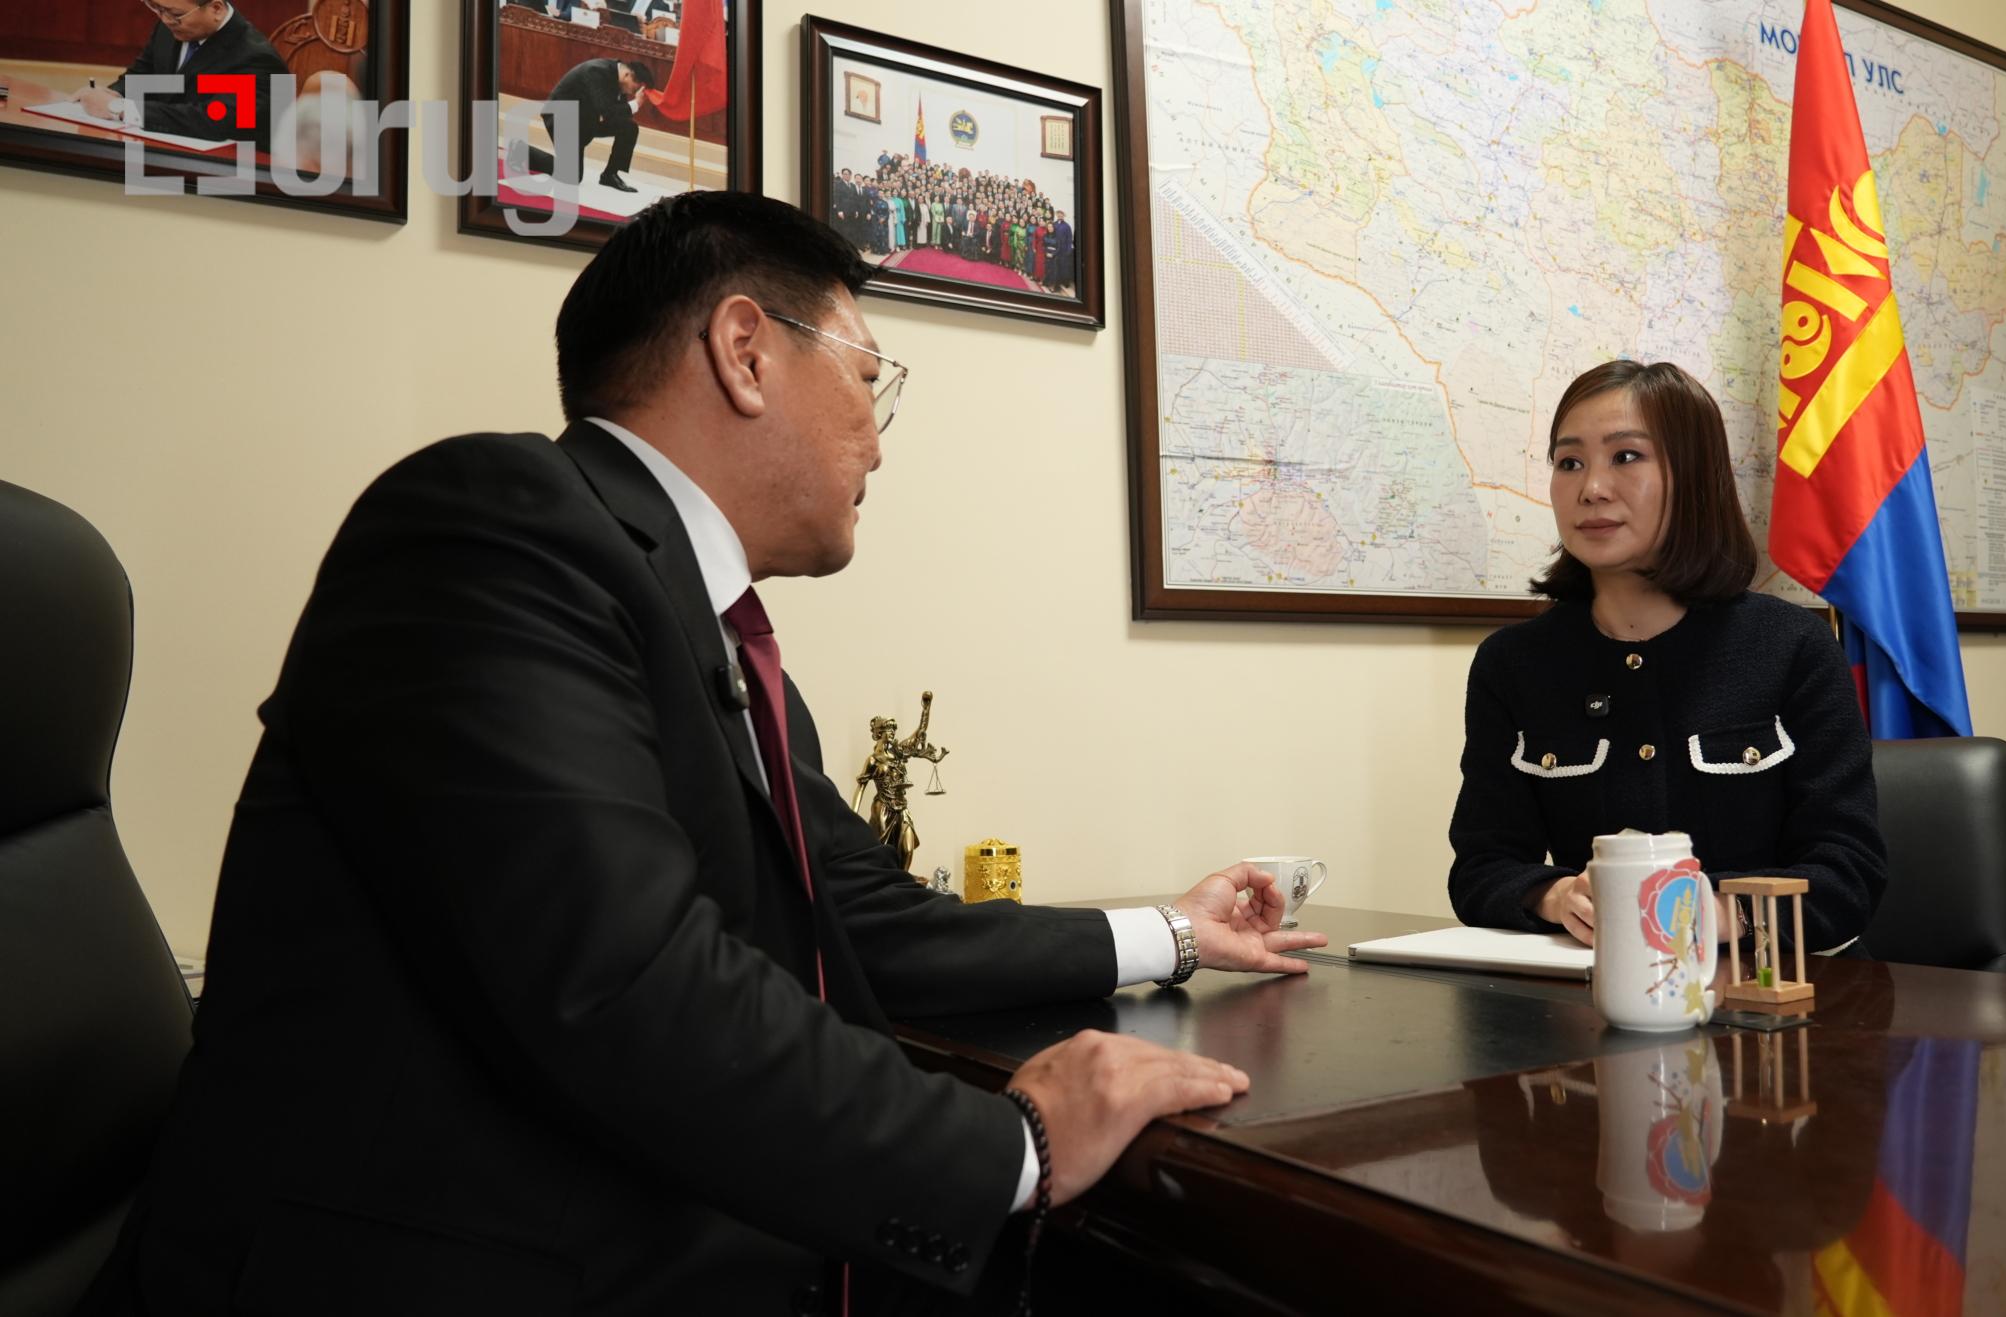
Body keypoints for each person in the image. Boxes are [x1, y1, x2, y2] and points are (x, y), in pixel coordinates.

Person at [80, 192, 1326, 1315]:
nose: (880, 441)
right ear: (745, 351)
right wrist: (1014, 1146)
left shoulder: (709, 636)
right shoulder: (495, 529)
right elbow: (624, 980)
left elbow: (871, 923)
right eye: (870, 381)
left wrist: (1173, 932)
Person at [1446, 360, 1884, 956]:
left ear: (1694, 476)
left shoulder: (1793, 648)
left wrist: (1708, 915)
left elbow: (1848, 873)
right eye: (1569, 462)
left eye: (1626, 457)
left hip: (1769, 992)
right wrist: (1555, 895)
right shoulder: (1513, 663)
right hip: (1593, 992)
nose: (1591, 488)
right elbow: (1481, 867)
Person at [65, 0, 290, 144]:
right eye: (156, 7)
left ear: (216, 9)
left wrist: (121, 109)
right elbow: (143, 76)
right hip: (161, 147)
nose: (165, 19)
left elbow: (216, 120)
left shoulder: (256, 58)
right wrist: (110, 95)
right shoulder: (170, 27)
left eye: (174, 13)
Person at [529, 57, 653, 193]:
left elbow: (618, 113)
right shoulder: (596, 71)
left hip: (584, 119)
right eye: (633, 90)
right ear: (627, 75)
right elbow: (607, 111)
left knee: (629, 128)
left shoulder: (619, 79)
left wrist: (630, 107)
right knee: (571, 175)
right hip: (562, 118)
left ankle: (610, 175)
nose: (631, 94)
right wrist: (635, 104)